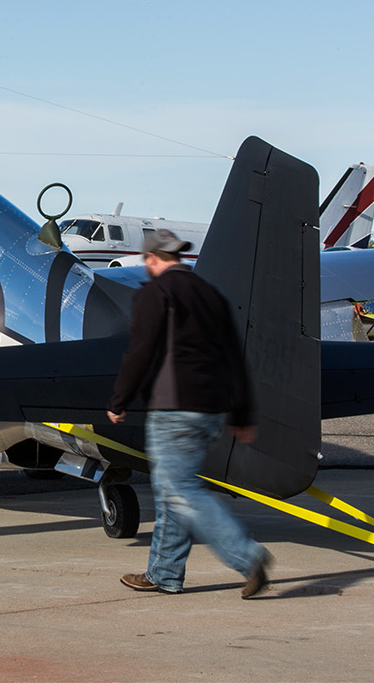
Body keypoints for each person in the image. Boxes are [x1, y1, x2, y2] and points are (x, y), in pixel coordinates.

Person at [107, 229, 271, 598]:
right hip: (212, 409)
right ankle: (163, 573)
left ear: (152, 259)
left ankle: (248, 557)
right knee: (171, 491)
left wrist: (119, 400)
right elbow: (234, 355)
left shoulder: (156, 293)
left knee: (180, 490)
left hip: (174, 409)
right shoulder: (211, 295)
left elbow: (141, 352)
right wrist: (242, 413)